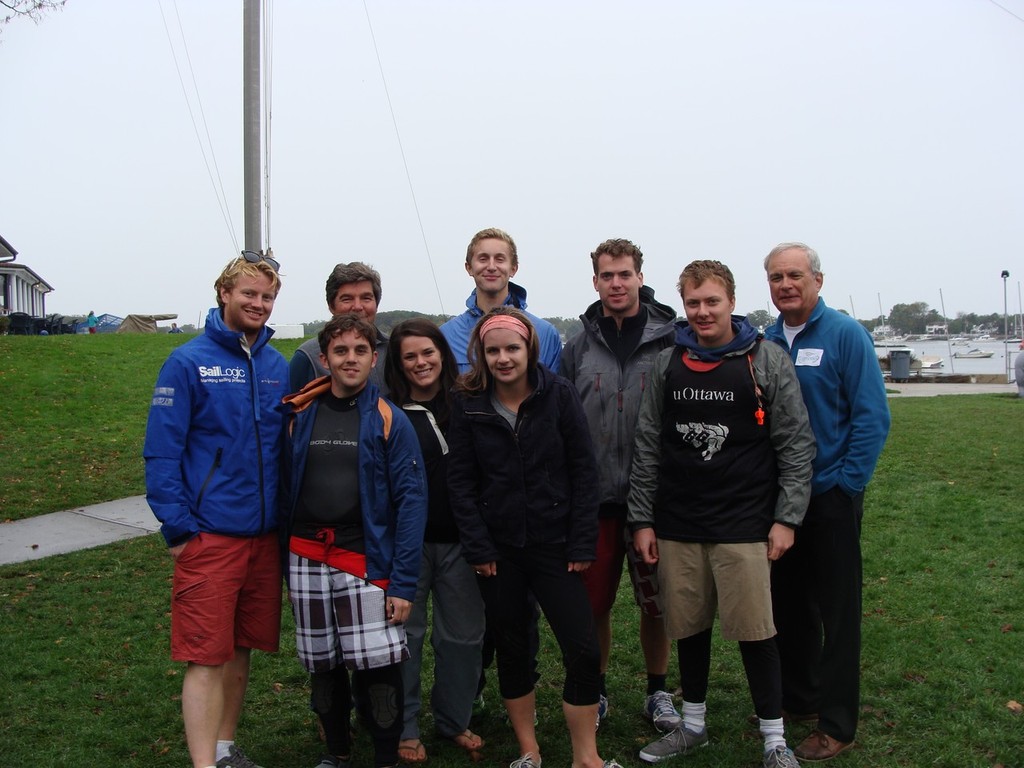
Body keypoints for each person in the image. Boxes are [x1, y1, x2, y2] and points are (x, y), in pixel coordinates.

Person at [628, 260, 814, 768]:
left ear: (731, 301)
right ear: (683, 307)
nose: (703, 312)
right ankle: (692, 725)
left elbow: (796, 445)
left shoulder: (766, 360)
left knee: (757, 632)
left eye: (712, 301)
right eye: (693, 303)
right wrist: (642, 519)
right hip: (679, 524)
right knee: (689, 627)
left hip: (746, 524)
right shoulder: (668, 364)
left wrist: (787, 518)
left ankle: (775, 739)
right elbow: (648, 446)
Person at [446, 307, 623, 768]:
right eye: (493, 350)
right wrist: (479, 545)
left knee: (582, 650)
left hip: (556, 544)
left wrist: (583, 540)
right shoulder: (467, 401)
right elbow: (461, 482)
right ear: (481, 356)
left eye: (512, 348)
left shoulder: (558, 394)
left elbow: (585, 471)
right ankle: (529, 749)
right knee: (513, 647)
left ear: (529, 349)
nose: (504, 358)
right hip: (499, 551)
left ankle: (586, 756)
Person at [143, 252, 287, 768]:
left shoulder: (276, 365)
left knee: (240, 647)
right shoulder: (187, 362)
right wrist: (179, 528)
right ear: (224, 294)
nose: (258, 304)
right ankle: (203, 762)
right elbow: (162, 452)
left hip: (264, 538)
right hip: (210, 536)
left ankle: (225, 747)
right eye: (248, 294)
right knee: (204, 655)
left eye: (267, 297)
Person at [280, 313, 428, 768]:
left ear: (374, 357)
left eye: (359, 351)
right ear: (324, 359)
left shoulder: (389, 419)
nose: (350, 359)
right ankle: (337, 754)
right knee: (323, 665)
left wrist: (402, 583)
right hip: (305, 556)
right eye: (340, 351)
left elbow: (411, 503)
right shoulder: (299, 413)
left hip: (364, 558)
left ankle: (385, 757)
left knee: (378, 665)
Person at [763, 242, 890, 762]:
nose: (786, 284)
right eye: (776, 277)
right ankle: (800, 698)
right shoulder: (766, 339)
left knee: (837, 613)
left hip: (830, 495)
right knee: (789, 606)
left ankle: (836, 722)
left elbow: (871, 418)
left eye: (795, 275)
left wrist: (846, 485)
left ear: (817, 279)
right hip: (777, 502)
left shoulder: (844, 335)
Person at [559, 238, 681, 732]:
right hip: (596, 502)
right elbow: (561, 420)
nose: (616, 283)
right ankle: (598, 687)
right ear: (595, 281)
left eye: (624, 274)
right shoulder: (578, 346)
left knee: (658, 603)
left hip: (656, 500)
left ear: (639, 277)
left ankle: (658, 691)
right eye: (607, 275)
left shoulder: (672, 339)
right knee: (596, 605)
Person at [382, 319, 486, 764]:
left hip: (462, 542)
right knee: (404, 638)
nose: (421, 363)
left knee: (463, 638)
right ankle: (404, 727)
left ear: (442, 353)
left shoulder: (468, 403)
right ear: (398, 364)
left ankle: (453, 718)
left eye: (428, 353)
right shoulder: (386, 411)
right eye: (410, 356)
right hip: (406, 546)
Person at [441, 227, 562, 373]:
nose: (491, 267)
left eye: (499, 259)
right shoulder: (446, 336)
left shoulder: (545, 334)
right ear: (469, 268)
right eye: (483, 259)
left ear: (513, 269)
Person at [290, 262, 389, 392]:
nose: (358, 307)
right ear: (331, 306)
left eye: (366, 298)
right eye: (347, 299)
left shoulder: (393, 348)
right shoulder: (307, 357)